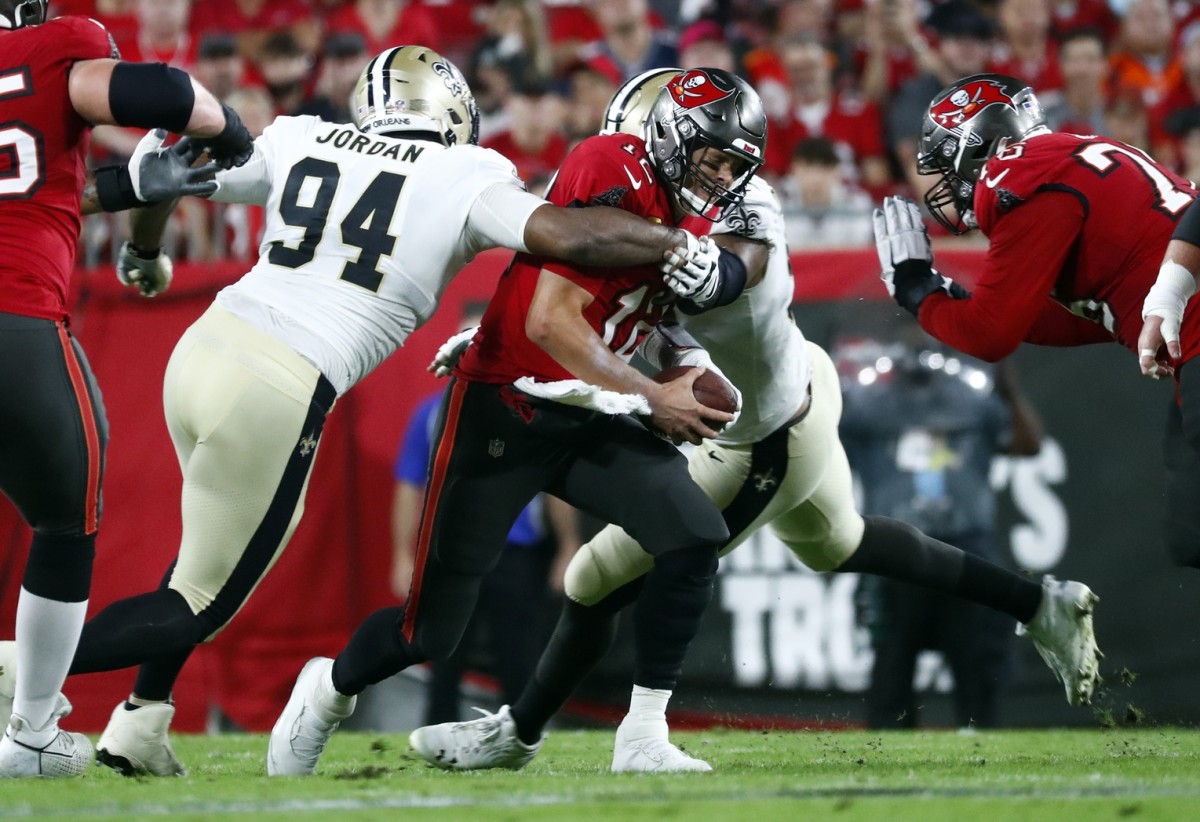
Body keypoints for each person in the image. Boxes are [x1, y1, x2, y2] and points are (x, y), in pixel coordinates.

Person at [0, 45, 724, 779]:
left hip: (203, 351)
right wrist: (676, 243)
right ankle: (17, 674)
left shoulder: (299, 135)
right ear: (450, 109)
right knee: (201, 603)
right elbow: (566, 236)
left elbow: (174, 161)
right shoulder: (466, 172)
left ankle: (141, 723)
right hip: (280, 378)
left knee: (201, 559)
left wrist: (145, 249)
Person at [404, 68, 1102, 776]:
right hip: (801, 388)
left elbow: (737, 264)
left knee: (594, 578)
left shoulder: (738, 202)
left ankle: (540, 733)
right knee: (842, 543)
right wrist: (502, 341)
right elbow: (604, 307)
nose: (713, 171)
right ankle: (1038, 603)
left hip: (763, 438)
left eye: (723, 158)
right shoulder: (645, 208)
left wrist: (710, 271)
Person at [267, 65, 769, 778]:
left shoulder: (685, 217)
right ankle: (328, 689)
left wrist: (684, 358)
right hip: (508, 405)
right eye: (712, 157)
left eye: (733, 166)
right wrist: (654, 398)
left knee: (693, 535)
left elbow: (637, 318)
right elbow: (553, 320)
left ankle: (643, 735)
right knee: (428, 632)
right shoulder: (609, 166)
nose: (720, 177)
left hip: (587, 411)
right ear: (670, 135)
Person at [0, 0, 253, 779]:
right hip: (15, 313)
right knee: (67, 516)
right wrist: (228, 129)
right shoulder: (57, 45)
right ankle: (33, 731)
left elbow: (26, 178)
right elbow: (171, 96)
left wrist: (121, 186)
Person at [873, 74, 1200, 576]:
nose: (946, 188)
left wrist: (920, 290)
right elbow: (1071, 317)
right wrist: (963, 303)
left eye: (949, 168)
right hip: (1189, 336)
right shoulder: (1072, 153)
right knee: (1191, 533)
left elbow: (991, 335)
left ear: (981, 147)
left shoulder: (1018, 172)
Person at [840, 332, 1043, 729]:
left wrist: (1009, 390)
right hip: (896, 557)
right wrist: (833, 383)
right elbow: (824, 442)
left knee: (977, 669)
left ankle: (980, 742)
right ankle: (886, 754)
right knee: (891, 668)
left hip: (967, 550)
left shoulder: (973, 400)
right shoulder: (866, 406)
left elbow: (1028, 443)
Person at [392, 302, 580, 724]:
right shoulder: (429, 414)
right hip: (448, 554)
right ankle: (435, 737)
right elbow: (408, 487)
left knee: (520, 656)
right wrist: (403, 556)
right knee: (443, 656)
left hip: (515, 556)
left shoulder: (529, 409)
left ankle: (522, 736)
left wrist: (568, 545)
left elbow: (553, 483)